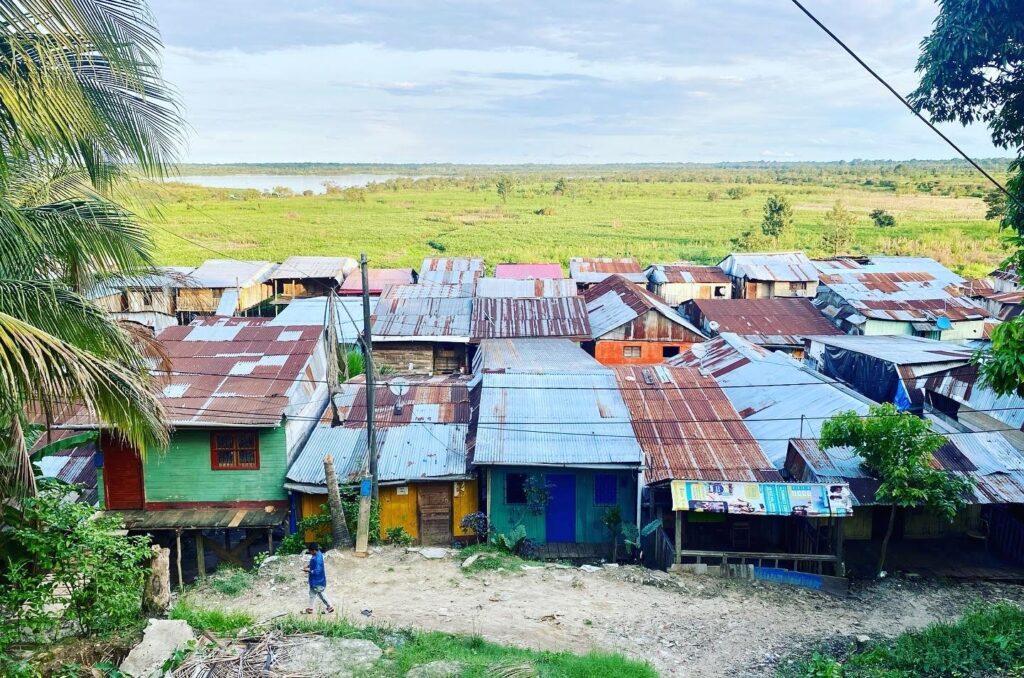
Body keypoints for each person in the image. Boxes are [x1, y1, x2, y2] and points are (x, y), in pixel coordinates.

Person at [302, 542, 335, 614]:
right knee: (315, 594)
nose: (310, 553)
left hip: (317, 581)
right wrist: (308, 566)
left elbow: (317, 571)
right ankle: (312, 608)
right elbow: (313, 563)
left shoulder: (317, 559)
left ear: (313, 550)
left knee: (318, 594)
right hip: (316, 580)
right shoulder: (318, 554)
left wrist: (308, 570)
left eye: (310, 551)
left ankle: (329, 606)